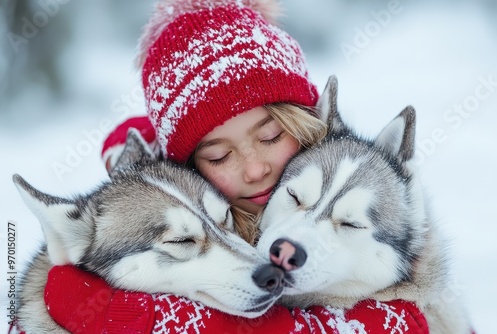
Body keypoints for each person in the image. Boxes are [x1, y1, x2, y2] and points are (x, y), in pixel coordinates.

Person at [39, 0, 430, 333]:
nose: (255, 170)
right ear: (188, 169)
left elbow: (404, 319)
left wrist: (139, 318)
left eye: (272, 135)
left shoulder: (373, 192)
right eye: (219, 156)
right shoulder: (170, 220)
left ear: (310, 123)